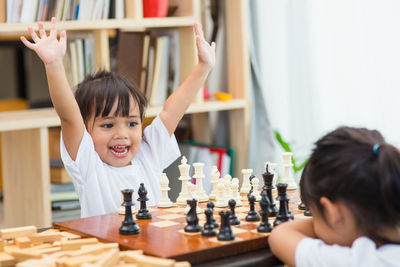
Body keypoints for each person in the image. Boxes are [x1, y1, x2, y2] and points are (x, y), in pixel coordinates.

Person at [20, 18, 215, 218]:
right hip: (109, 249)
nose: (121, 134)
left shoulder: (148, 154)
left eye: (132, 123)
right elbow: (69, 117)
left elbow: (171, 112)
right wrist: (53, 65)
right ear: (86, 130)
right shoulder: (88, 166)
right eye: (107, 125)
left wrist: (203, 67)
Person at [269, 126, 400, 266]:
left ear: (333, 212)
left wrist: (322, 219)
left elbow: (279, 235)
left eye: (313, 215)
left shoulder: (356, 261)